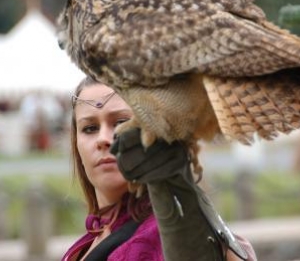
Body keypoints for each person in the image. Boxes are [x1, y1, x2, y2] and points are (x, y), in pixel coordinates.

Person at [61, 76, 257, 261]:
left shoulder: (174, 239)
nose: (103, 138)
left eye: (121, 123)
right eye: (89, 128)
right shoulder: (86, 243)